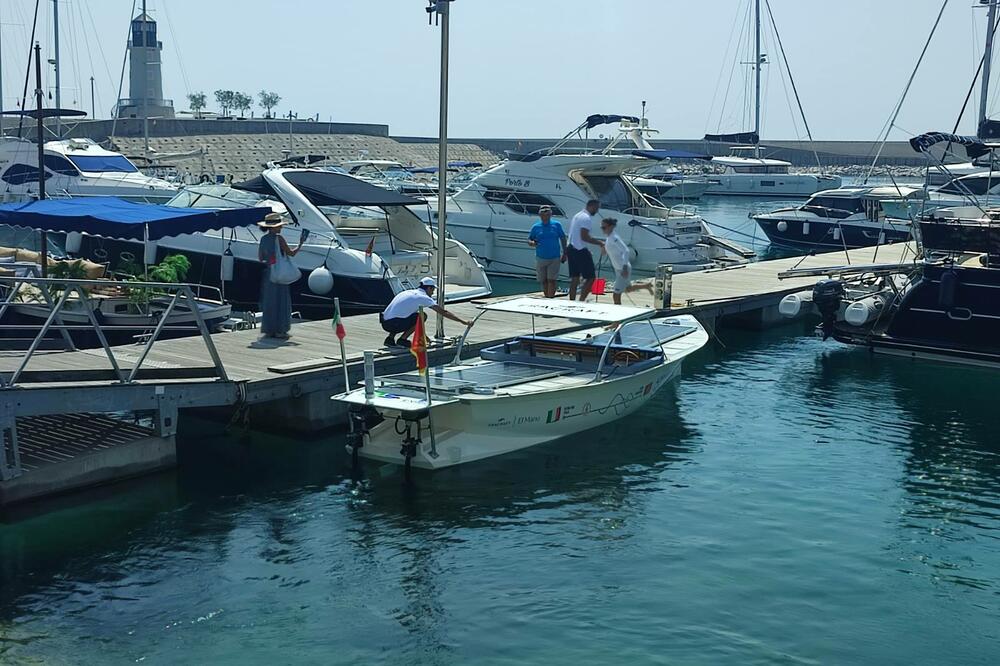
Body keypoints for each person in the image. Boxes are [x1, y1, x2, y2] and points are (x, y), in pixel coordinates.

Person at [380, 276, 472, 347]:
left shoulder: (408, 292)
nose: (432, 293)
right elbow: (443, 312)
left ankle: (390, 339)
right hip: (394, 324)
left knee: (409, 314)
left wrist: (425, 337)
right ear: (429, 288)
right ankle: (402, 340)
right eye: (433, 290)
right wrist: (463, 322)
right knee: (422, 316)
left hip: (385, 323)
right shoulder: (423, 297)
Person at [257, 212, 303, 339]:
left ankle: (269, 330)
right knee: (281, 301)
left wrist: (270, 258)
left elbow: (261, 258)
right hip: (279, 273)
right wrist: (300, 244)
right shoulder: (279, 239)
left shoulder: (263, 239)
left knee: (270, 302)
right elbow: (291, 254)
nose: (281, 228)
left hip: (268, 273)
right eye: (279, 226)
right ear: (274, 227)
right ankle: (280, 330)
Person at [600, 217, 653, 305]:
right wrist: (603, 248)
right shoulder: (609, 238)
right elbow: (606, 252)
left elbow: (626, 250)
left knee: (616, 294)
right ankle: (646, 286)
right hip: (618, 268)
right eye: (602, 227)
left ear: (611, 227)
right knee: (628, 288)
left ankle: (618, 313)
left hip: (623, 268)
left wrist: (624, 268)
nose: (603, 230)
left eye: (604, 227)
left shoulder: (614, 238)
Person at [567, 199, 605, 301]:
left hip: (571, 248)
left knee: (575, 277)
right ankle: (581, 300)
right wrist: (600, 243)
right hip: (579, 250)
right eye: (596, 208)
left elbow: (576, 236)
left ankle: (571, 301)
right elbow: (584, 237)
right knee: (591, 277)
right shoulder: (586, 218)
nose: (597, 211)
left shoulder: (577, 215)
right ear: (591, 206)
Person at [527, 205, 567, 298]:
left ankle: (551, 297)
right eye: (543, 214)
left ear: (550, 215)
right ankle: (546, 296)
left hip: (554, 257)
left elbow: (562, 238)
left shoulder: (556, 225)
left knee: (552, 280)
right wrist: (532, 243)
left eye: (548, 214)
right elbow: (529, 239)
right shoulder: (536, 227)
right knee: (543, 280)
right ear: (540, 215)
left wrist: (565, 253)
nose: (545, 216)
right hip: (541, 257)